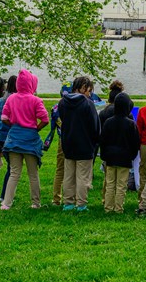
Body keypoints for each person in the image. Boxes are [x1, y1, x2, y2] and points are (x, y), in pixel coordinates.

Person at [0, 69, 49, 210]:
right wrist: (36, 128)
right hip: (30, 140)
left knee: (14, 173)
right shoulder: (35, 100)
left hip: (14, 139)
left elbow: (4, 118)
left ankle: (6, 203)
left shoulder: (11, 98)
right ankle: (35, 203)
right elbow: (45, 119)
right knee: (33, 174)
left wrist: (14, 126)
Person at [58, 76, 102, 212]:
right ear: (83, 88)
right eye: (89, 90)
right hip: (85, 144)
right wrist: (95, 141)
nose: (90, 93)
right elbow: (95, 126)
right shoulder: (88, 104)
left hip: (68, 142)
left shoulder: (63, 103)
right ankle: (81, 204)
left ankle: (68, 202)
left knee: (69, 175)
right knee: (83, 176)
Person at [100, 93, 140, 213]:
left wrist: (104, 155)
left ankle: (108, 207)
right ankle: (118, 208)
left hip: (110, 157)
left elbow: (103, 140)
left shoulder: (108, 122)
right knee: (121, 185)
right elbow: (135, 142)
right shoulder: (131, 124)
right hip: (125, 158)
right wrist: (132, 156)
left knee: (110, 183)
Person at [43, 82, 71, 206]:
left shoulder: (55, 108)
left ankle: (56, 199)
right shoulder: (76, 106)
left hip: (62, 140)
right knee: (72, 170)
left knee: (60, 170)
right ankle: (70, 198)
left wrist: (47, 143)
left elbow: (52, 128)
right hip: (74, 140)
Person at [0, 75, 17, 202]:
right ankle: (5, 196)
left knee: (10, 167)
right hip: (10, 137)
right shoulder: (14, 101)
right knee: (12, 168)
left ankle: (5, 195)